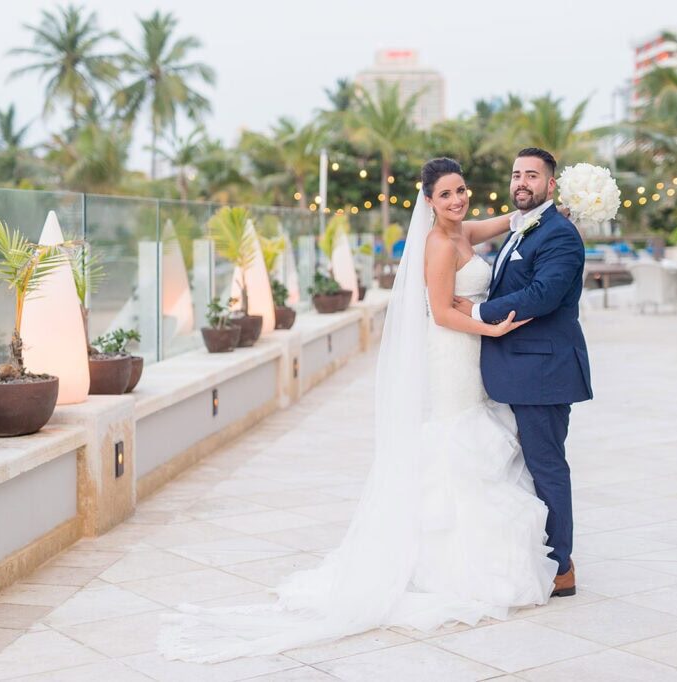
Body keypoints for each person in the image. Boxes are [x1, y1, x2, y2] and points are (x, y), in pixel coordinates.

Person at [159, 157, 560, 663]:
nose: (457, 200)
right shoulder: (438, 245)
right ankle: (451, 565)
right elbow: (440, 313)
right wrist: (493, 328)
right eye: (446, 195)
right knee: (457, 439)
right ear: (429, 203)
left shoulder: (464, 231)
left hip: (473, 351)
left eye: (461, 191)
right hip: (454, 352)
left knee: (475, 433)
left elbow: (507, 221)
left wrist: (544, 208)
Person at [455, 147, 593, 595]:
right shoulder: (521, 227)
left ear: (551, 184)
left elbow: (543, 294)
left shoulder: (560, 234)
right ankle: (536, 555)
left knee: (546, 466)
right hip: (517, 370)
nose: (522, 182)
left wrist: (479, 311)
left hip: (544, 372)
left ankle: (561, 567)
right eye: (516, 174)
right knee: (524, 468)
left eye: (532, 175)